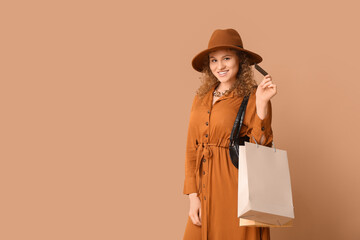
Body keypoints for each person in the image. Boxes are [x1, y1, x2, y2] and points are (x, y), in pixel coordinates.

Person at [182, 28, 277, 240]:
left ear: (240, 60)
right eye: (214, 60)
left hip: (236, 189)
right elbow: (191, 148)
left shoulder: (252, 96)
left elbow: (262, 146)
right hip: (204, 189)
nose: (220, 66)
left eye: (226, 58)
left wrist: (262, 104)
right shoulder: (201, 98)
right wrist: (193, 196)